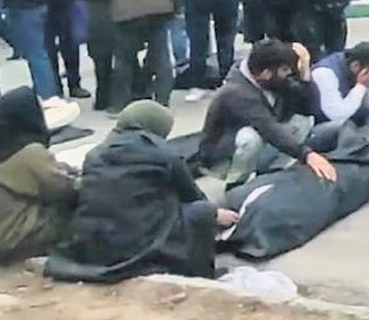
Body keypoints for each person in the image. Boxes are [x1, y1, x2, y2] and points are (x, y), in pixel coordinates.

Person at [50, 100, 237, 281]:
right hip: (136, 244)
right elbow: (192, 196)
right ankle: (199, 274)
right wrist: (215, 214)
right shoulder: (162, 153)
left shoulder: (95, 154)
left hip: (93, 243)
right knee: (202, 213)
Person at [0, 87, 79, 265]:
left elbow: (37, 173)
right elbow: (65, 190)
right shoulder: (29, 152)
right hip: (11, 241)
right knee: (87, 215)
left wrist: (69, 170)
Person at [199, 40, 335, 188]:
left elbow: (311, 109)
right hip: (224, 154)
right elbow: (268, 128)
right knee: (251, 137)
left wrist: (304, 75)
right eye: (285, 70)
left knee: (303, 120)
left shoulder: (273, 77)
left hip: (261, 141)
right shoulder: (236, 91)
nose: (289, 73)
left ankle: (272, 173)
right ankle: (236, 183)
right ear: (266, 74)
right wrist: (306, 155)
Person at [309, 42, 369, 147]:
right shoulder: (325, 73)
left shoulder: (358, 74)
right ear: (356, 66)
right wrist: (361, 86)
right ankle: (359, 145)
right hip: (320, 127)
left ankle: (363, 141)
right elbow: (336, 115)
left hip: (349, 120)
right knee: (344, 126)